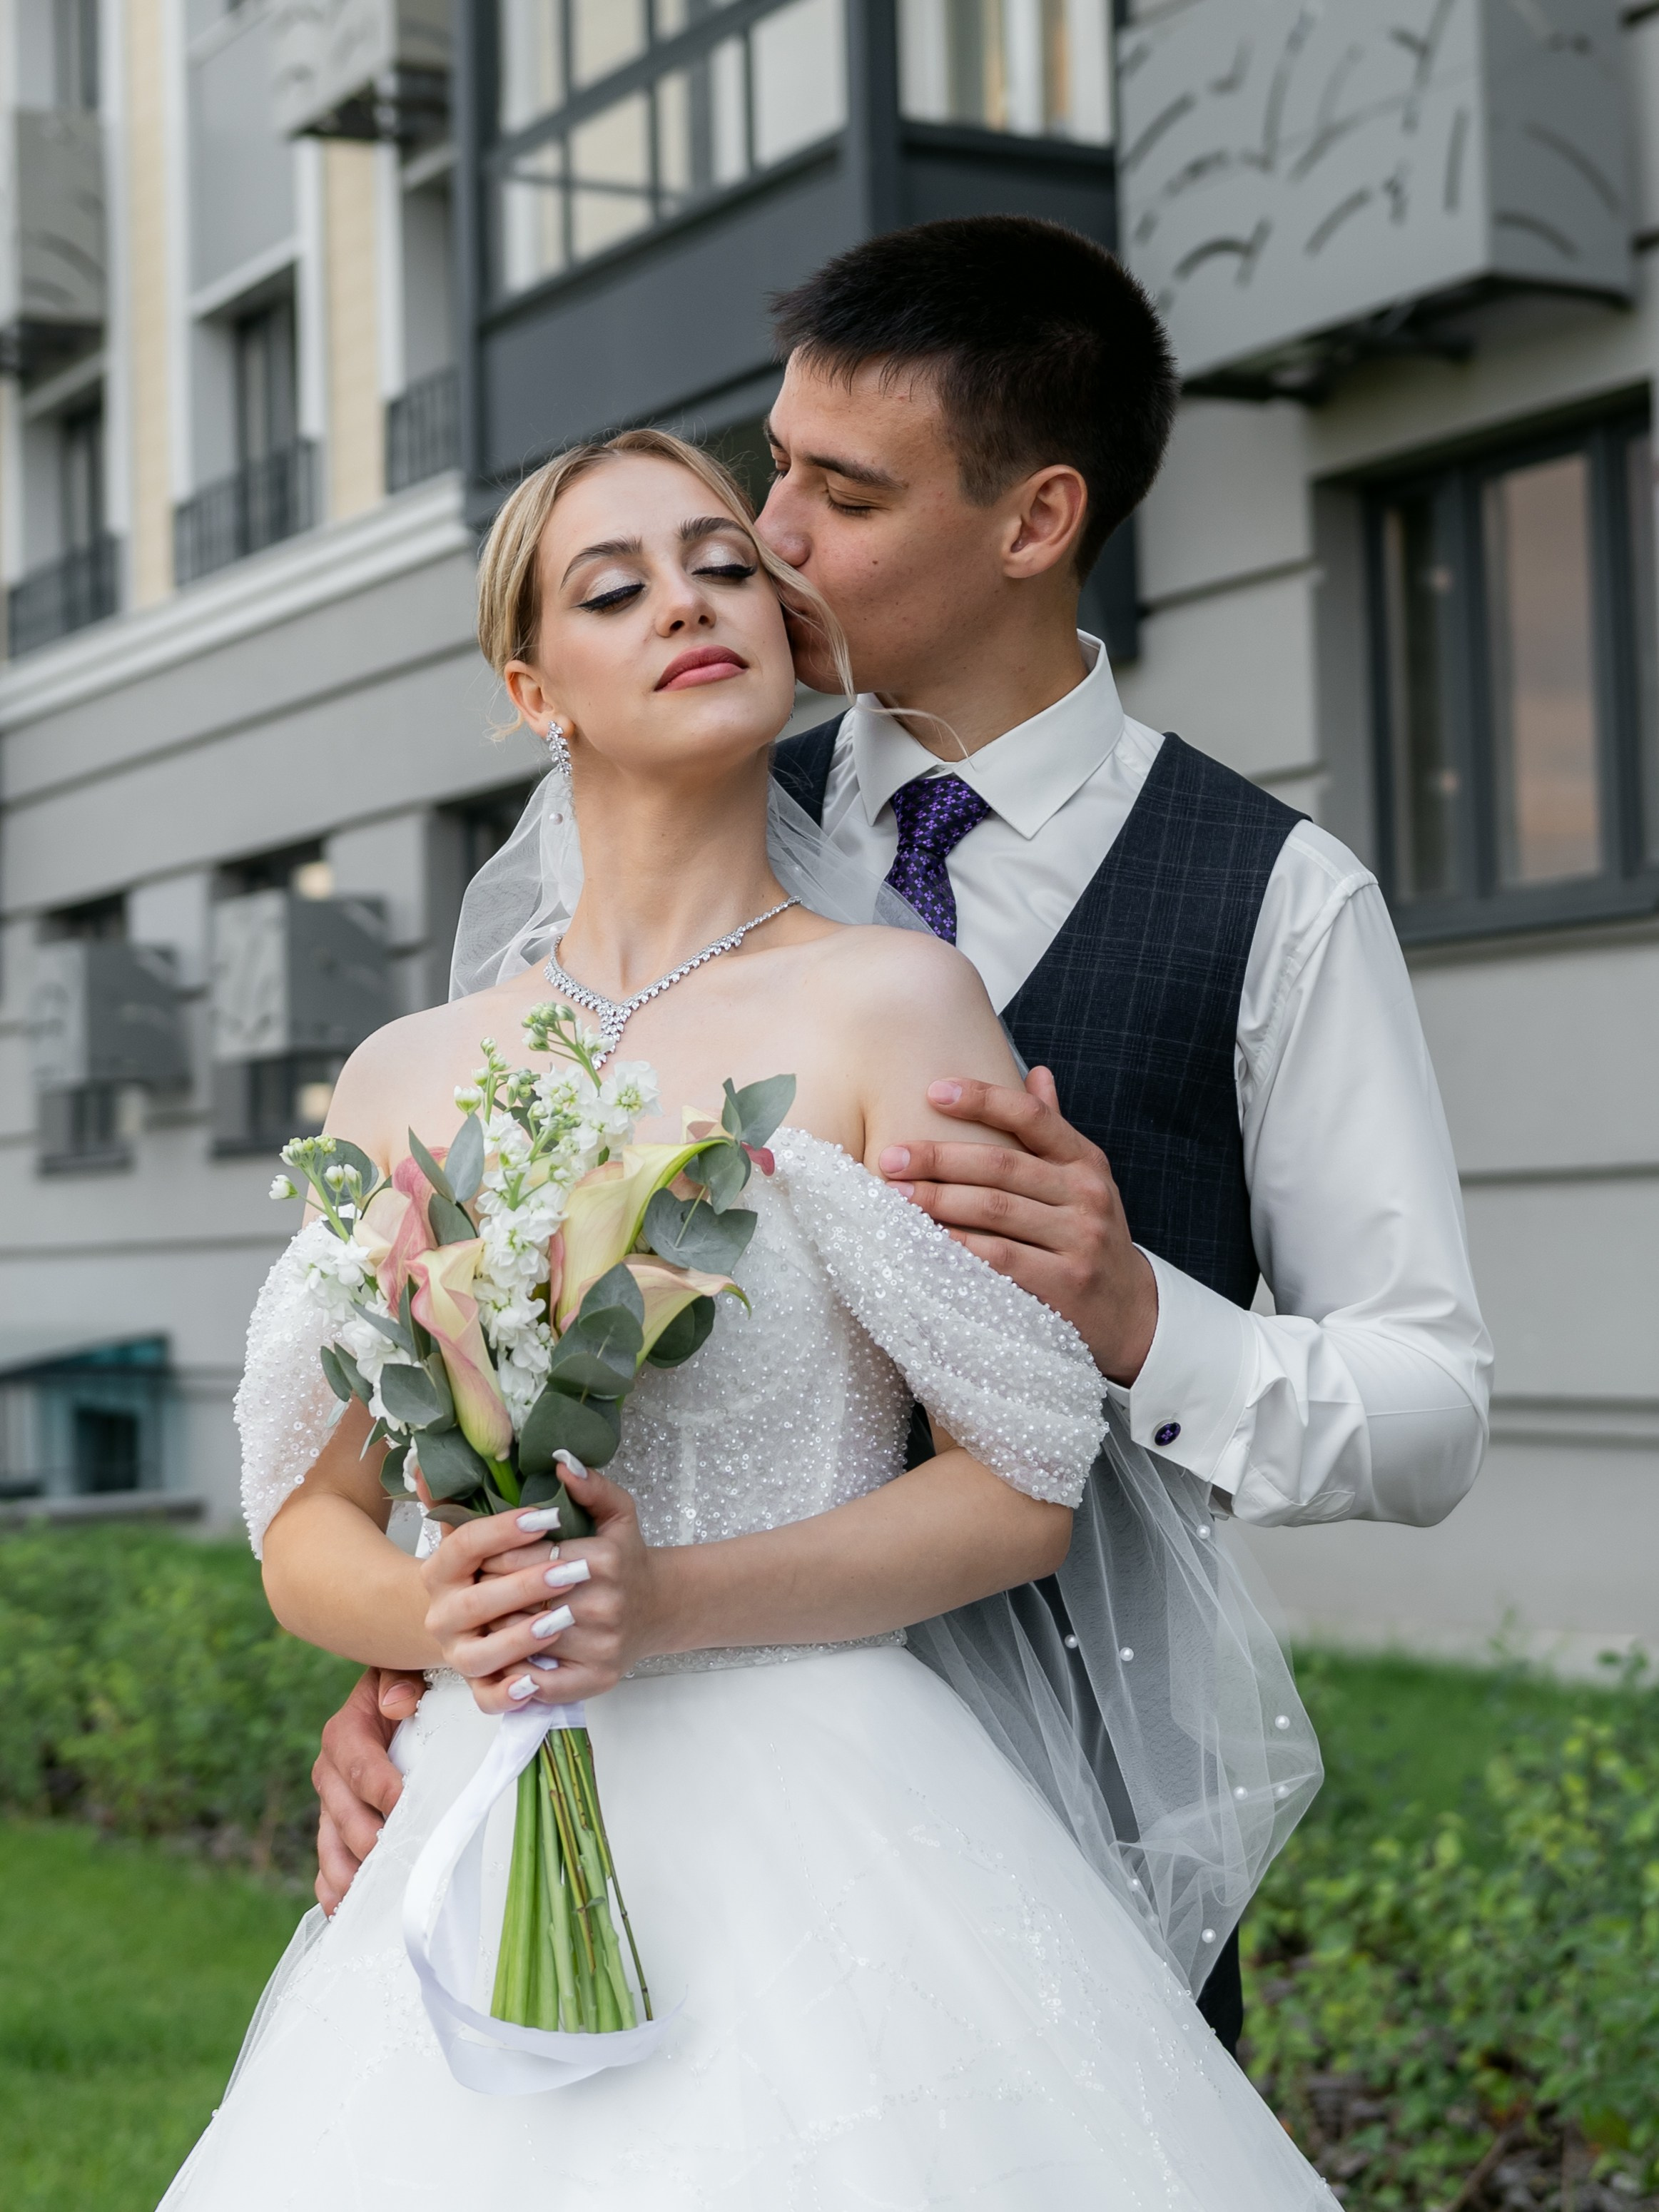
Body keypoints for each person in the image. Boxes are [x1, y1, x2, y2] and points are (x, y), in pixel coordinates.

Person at [310, 218, 1491, 2054]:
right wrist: (432, 1649)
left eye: (835, 494)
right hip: (625, 1788)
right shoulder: (674, 776)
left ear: (1032, 521)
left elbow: (1428, 1407)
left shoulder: (1271, 896)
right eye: (768, 464)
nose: (765, 541)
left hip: (1074, 1835)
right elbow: (471, 1293)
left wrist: (1136, 1316)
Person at [162, 429, 1339, 2208]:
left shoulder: (890, 1004)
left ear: (786, 627)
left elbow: (1021, 1483)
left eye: (722, 561)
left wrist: (665, 1602)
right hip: (493, 1802)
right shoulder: (407, 1072)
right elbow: (303, 1522)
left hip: (841, 1815)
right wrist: (447, 1608)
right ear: (529, 686)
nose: (688, 602)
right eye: (612, 586)